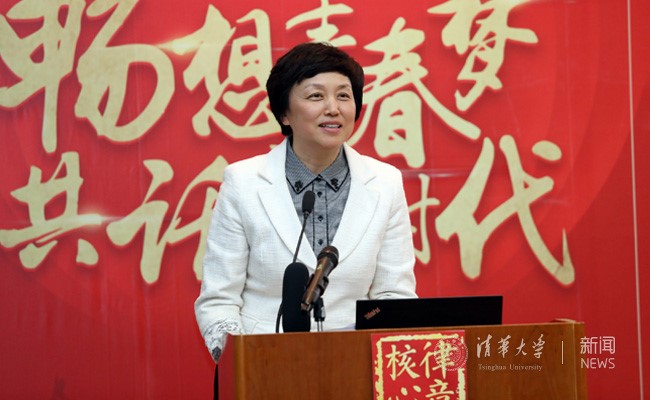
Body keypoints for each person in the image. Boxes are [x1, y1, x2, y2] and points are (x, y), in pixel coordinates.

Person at [195, 42, 417, 365]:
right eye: (316, 96)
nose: (333, 108)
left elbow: (394, 295)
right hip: (264, 367)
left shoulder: (385, 183)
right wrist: (244, 366)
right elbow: (219, 300)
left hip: (355, 368)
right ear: (284, 113)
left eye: (344, 96)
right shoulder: (243, 183)